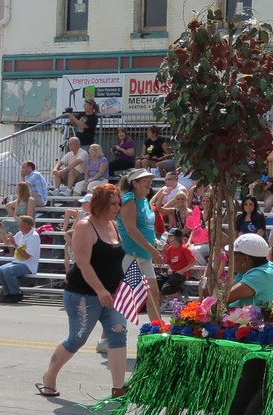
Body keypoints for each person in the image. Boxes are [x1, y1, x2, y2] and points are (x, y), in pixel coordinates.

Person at [38, 184, 128, 398]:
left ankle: (118, 388)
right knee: (77, 339)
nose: (117, 207)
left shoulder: (113, 225)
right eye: (113, 204)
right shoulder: (85, 226)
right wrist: (100, 290)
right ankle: (49, 376)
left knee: (119, 334)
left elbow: (117, 259)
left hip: (112, 294)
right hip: (84, 294)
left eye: (118, 203)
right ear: (101, 204)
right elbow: (83, 263)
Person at [117, 169, 163, 323]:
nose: (149, 183)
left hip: (145, 255)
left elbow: (147, 227)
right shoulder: (130, 199)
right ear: (134, 183)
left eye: (150, 180)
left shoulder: (144, 200)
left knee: (153, 294)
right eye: (145, 180)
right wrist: (153, 250)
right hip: (131, 255)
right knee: (129, 298)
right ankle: (109, 335)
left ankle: (158, 330)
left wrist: (153, 246)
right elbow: (131, 229)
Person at [0, 216, 41, 304]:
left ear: (27, 225)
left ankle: (16, 293)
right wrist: (2, 231)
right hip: (17, 262)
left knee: (8, 271)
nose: (17, 224)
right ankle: (7, 294)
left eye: (19, 223)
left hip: (28, 265)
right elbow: (7, 243)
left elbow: (27, 256)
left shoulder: (34, 236)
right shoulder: (20, 233)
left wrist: (15, 245)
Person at [227, 233, 273, 308]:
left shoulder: (261, 275)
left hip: (249, 319)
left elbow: (223, 298)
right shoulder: (256, 268)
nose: (230, 258)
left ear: (245, 259)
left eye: (233, 254)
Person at [156, 228, 195, 302]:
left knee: (166, 289)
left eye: (171, 236)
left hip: (180, 275)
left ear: (177, 238)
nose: (169, 238)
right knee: (157, 280)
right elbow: (168, 263)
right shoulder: (170, 249)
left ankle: (183, 302)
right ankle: (165, 302)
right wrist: (169, 268)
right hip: (172, 273)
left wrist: (181, 271)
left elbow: (194, 262)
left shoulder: (184, 249)